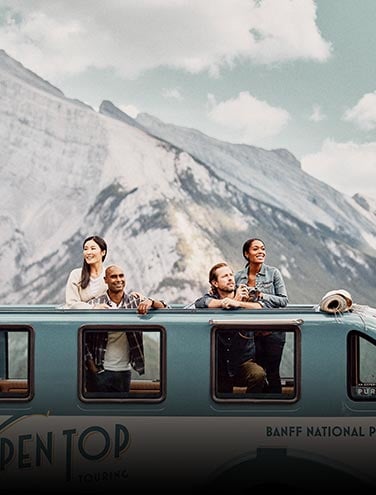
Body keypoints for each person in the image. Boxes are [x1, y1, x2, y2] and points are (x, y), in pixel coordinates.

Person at [85, 264, 168, 393]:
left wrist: (150, 301)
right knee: (98, 412)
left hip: (124, 372)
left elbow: (166, 308)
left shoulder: (135, 302)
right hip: (100, 371)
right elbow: (82, 338)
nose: (118, 280)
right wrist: (92, 367)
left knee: (120, 412)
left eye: (121, 276)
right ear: (105, 280)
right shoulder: (95, 304)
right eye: (113, 277)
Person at [195, 262, 266, 394]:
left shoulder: (246, 293)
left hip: (243, 362)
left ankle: (249, 409)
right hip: (219, 364)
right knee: (220, 394)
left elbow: (262, 306)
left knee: (258, 375)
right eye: (224, 276)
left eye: (231, 275)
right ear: (215, 283)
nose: (230, 278)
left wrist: (238, 303)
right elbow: (201, 302)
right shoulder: (211, 298)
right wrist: (224, 303)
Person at [235, 237, 288, 393]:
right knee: (258, 373)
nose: (261, 252)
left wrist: (261, 295)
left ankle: (276, 409)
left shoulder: (273, 273)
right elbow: (232, 298)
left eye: (263, 249)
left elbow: (283, 300)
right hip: (249, 334)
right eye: (256, 249)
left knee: (272, 373)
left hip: (273, 332)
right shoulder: (238, 277)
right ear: (246, 254)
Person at [65, 235, 108, 308]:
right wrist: (93, 308)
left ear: (103, 252)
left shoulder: (109, 274)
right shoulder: (76, 275)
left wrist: (131, 297)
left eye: (93, 249)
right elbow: (71, 303)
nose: (88, 252)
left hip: (105, 319)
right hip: (81, 319)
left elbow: (117, 298)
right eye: (85, 249)